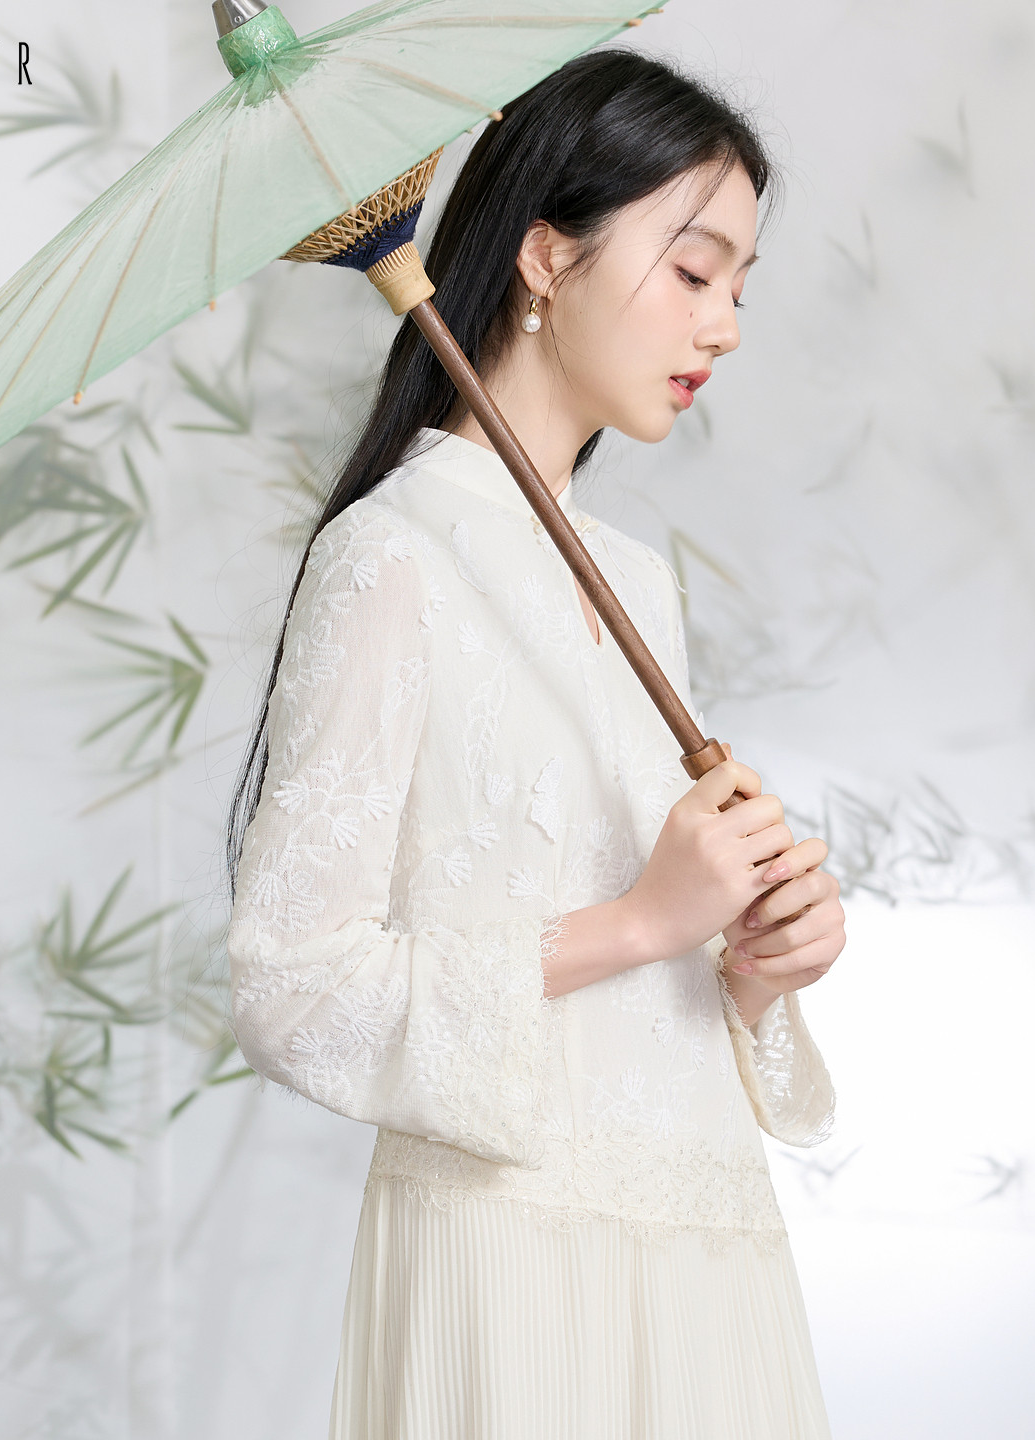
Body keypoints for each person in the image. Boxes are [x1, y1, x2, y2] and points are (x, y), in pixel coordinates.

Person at [225, 46, 847, 1440]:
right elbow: (291, 986)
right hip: (509, 1264)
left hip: (701, 1242)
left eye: (740, 288)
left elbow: (654, 984)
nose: (724, 325)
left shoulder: (641, 584)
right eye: (695, 271)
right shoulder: (390, 556)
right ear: (547, 257)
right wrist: (642, 921)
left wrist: (751, 966)